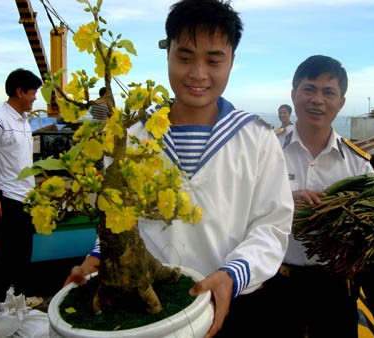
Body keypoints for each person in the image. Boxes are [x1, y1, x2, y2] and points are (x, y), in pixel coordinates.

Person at [64, 1, 293, 337]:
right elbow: (115, 214)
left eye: (214, 60)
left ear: (232, 62)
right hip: (144, 308)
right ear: (167, 54)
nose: (198, 74)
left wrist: (234, 274)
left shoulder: (255, 137)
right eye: (185, 58)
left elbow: (272, 225)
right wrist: (100, 258)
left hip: (234, 304)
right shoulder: (131, 134)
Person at [267, 54, 374, 338]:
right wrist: (283, 202)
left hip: (335, 288)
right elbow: (240, 210)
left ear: (340, 102)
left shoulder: (359, 165)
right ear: (294, 94)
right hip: (274, 283)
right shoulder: (265, 151)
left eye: (328, 92)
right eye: (309, 89)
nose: (318, 99)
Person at [0, 68, 43, 313]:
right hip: (7, 197)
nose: (36, 97)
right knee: (8, 256)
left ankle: (17, 298)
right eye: (33, 92)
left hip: (25, 196)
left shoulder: (23, 121)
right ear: (19, 91)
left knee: (23, 253)